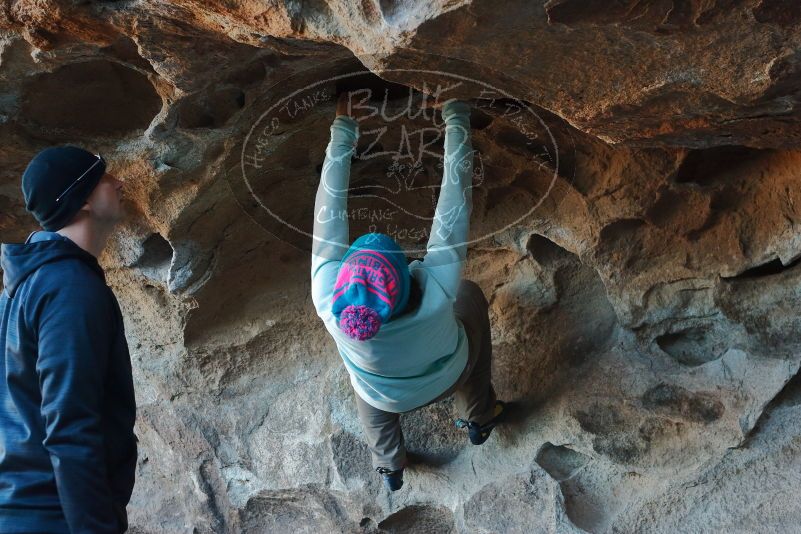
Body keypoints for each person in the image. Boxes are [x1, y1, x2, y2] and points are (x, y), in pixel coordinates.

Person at [311, 92, 505, 491]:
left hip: (386, 398)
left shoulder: (329, 302)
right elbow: (455, 204)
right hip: (449, 374)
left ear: (342, 279)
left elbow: (326, 214)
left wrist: (343, 130)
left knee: (368, 395)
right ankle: (479, 416)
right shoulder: (436, 289)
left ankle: (389, 467)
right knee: (469, 296)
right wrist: (456, 118)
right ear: (407, 277)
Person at [0, 146, 137, 533]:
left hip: (26, 511)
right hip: (54, 516)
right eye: (106, 177)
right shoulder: (69, 287)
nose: (119, 182)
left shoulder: (24, 286)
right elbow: (70, 423)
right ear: (85, 199)